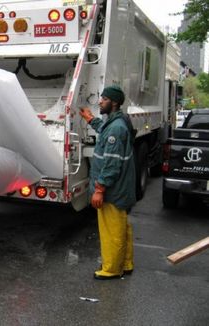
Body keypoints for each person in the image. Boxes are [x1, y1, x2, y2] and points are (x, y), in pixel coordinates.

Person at [79, 85, 136, 280]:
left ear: (114, 102)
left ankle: (111, 269)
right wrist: (89, 119)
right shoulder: (115, 122)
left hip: (113, 191)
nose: (100, 101)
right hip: (119, 189)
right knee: (121, 226)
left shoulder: (117, 129)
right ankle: (126, 263)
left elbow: (112, 165)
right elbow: (103, 129)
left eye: (104, 99)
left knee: (112, 230)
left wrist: (99, 189)